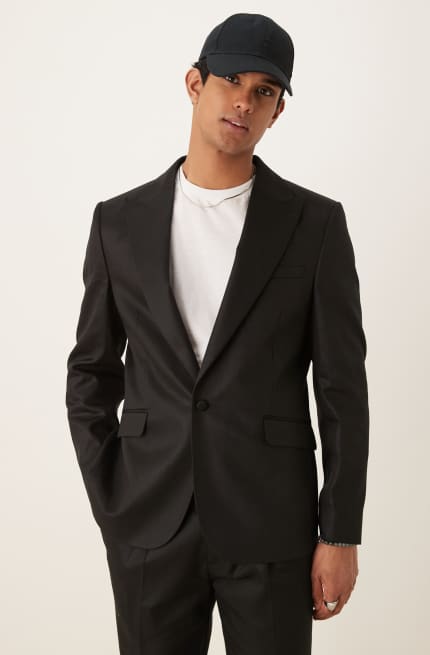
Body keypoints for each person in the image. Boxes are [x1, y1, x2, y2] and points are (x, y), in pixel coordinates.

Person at [65, 12, 369, 655]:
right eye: (231, 79)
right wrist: (111, 496)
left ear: (277, 112)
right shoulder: (118, 223)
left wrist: (340, 533)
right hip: (149, 519)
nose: (244, 101)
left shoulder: (315, 226)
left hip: (272, 524)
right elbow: (91, 372)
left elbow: (342, 390)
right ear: (194, 84)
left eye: (265, 91)